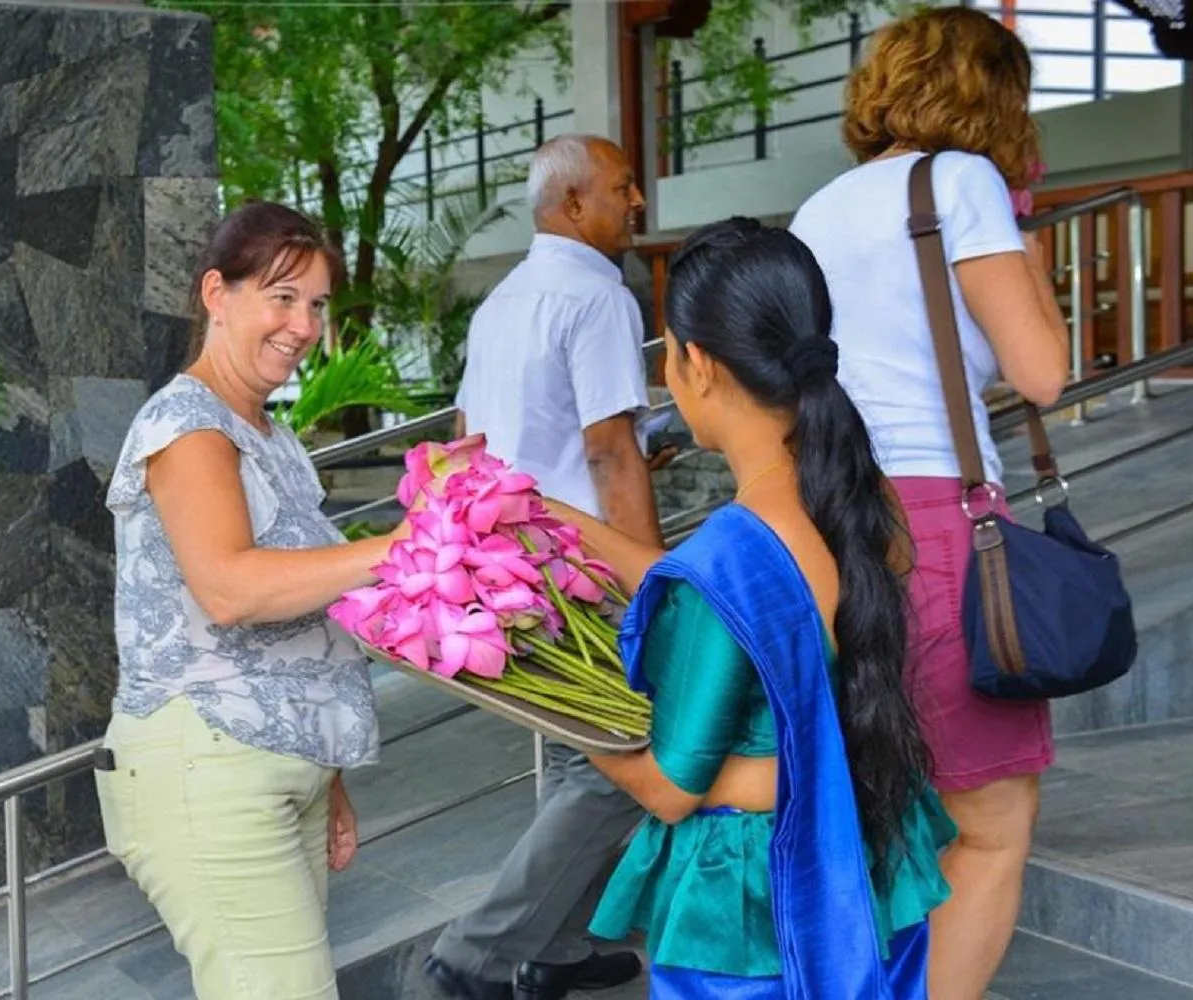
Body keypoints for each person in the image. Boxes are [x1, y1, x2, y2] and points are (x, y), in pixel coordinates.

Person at [550, 218, 954, 997]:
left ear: (696, 363)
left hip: (755, 893)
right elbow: (741, 599)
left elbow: (670, 785)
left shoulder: (729, 558)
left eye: (667, 353)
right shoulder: (864, 503)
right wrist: (555, 518)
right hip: (869, 842)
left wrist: (548, 710)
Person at [788, 9, 1071, 999]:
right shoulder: (964, 183)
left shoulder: (818, 210)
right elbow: (1043, 370)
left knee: (879, 814)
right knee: (991, 826)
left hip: (828, 521)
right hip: (936, 522)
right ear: (994, 96)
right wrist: (1027, 250)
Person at [96, 202, 404, 1000]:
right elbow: (230, 588)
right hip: (209, 768)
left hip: (277, 769)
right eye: (282, 296)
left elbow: (303, 610)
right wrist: (404, 549)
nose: (303, 325)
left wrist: (326, 776)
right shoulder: (187, 426)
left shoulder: (268, 432)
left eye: (317, 304)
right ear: (216, 294)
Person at [425, 134, 662, 1000]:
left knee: (579, 764)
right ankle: (475, 956)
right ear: (571, 205)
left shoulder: (505, 301)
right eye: (622, 186)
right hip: (583, 569)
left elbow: (468, 441)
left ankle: (552, 949)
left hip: (512, 569)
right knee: (636, 755)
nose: (637, 200)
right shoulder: (597, 294)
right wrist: (654, 578)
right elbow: (607, 451)